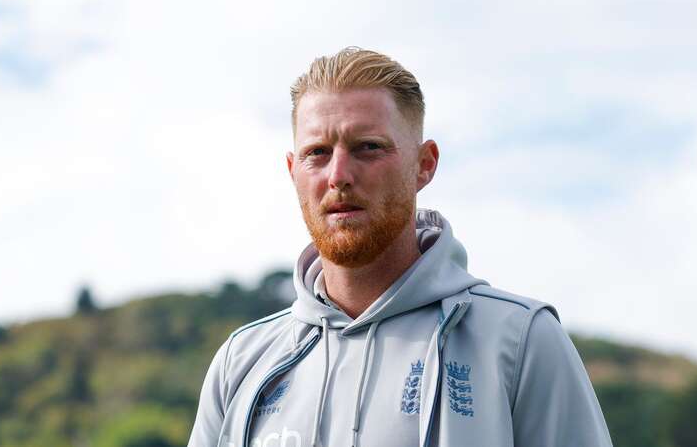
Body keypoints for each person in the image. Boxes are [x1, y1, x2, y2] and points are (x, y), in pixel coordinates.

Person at [188, 47, 612, 447]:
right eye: (317, 152)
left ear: (424, 165)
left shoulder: (522, 340)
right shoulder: (240, 364)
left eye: (368, 147)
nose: (339, 175)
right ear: (292, 170)